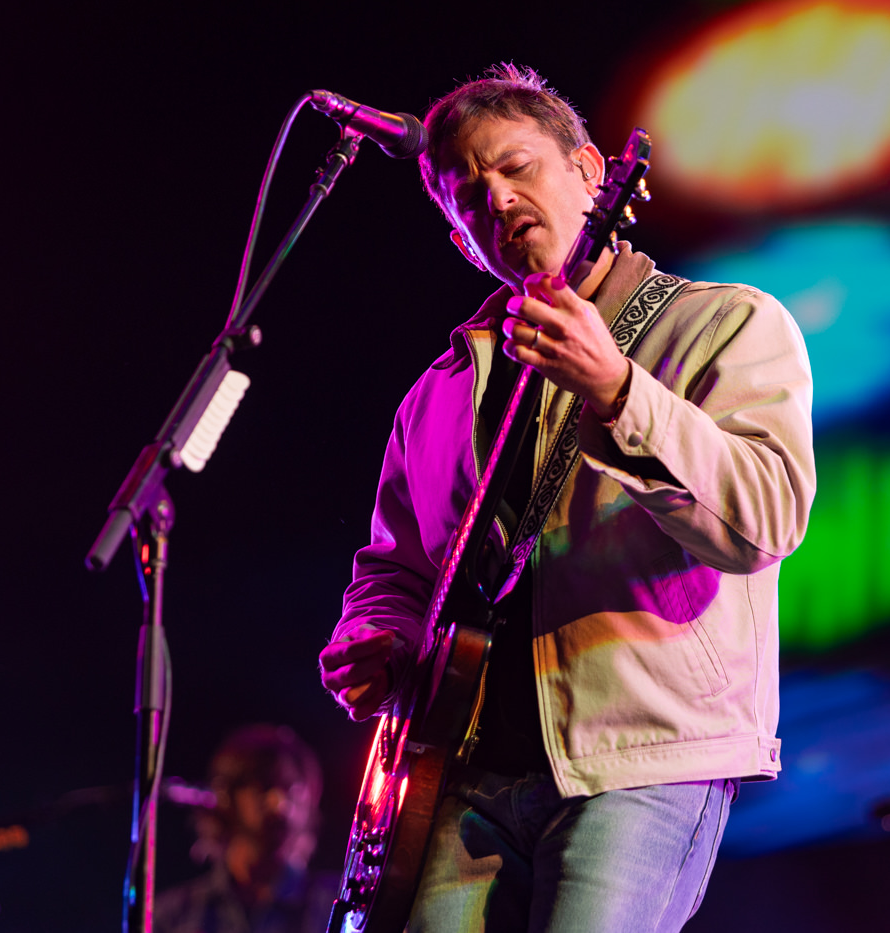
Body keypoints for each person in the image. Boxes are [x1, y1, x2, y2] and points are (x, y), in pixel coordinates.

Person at [318, 63, 815, 933]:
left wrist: (622, 390)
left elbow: (768, 515)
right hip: (461, 777)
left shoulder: (726, 322)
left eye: (516, 167)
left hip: (641, 762)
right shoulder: (438, 392)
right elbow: (393, 569)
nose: (496, 199)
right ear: (457, 239)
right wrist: (375, 636)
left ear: (590, 172)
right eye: (465, 195)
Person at [153, 724, 337, 933]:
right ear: (225, 798)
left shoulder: (339, 907)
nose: (279, 804)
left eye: (292, 789)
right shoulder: (171, 916)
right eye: (264, 786)